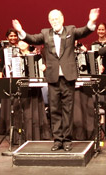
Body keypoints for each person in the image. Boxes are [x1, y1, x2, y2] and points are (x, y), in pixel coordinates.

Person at [12, 8, 99, 151]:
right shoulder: (45, 33)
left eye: (56, 18)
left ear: (62, 19)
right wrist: (20, 30)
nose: (54, 21)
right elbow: (32, 39)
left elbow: (84, 31)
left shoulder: (70, 30)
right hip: (53, 78)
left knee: (67, 109)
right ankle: (58, 140)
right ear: (49, 21)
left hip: (68, 77)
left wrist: (91, 21)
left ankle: (67, 140)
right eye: (52, 19)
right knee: (54, 110)